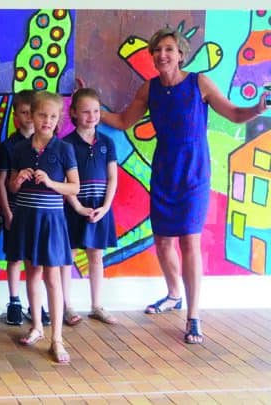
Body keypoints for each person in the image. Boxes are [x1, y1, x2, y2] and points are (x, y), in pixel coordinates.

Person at [97, 28, 268, 344]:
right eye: (157, 50)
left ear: (180, 54)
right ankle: (174, 294)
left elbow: (233, 114)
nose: (162, 54)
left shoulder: (199, 83)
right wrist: (92, 107)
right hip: (164, 171)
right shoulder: (149, 89)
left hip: (194, 172)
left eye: (169, 49)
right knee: (163, 242)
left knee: (190, 240)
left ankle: (193, 316)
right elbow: (122, 122)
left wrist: (257, 109)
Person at [8, 91, 80, 364]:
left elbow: (74, 187)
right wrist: (18, 180)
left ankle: (57, 338)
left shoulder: (64, 149)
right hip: (26, 218)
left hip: (51, 220)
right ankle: (37, 326)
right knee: (32, 272)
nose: (47, 121)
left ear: (59, 119)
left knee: (52, 277)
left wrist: (50, 182)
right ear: (31, 116)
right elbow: (11, 187)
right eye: (41, 115)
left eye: (52, 116)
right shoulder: (19, 149)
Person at [62, 88, 119, 326]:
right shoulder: (66, 144)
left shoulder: (107, 143)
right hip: (74, 208)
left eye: (96, 111)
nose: (92, 116)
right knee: (69, 256)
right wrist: (77, 207)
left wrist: (105, 208)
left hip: (99, 208)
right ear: (74, 113)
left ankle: (97, 306)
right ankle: (66, 306)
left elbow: (113, 178)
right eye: (86, 112)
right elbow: (65, 181)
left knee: (96, 256)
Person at [0, 90, 49, 326]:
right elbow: (1, 181)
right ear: (16, 116)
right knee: (15, 256)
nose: (28, 118)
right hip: (16, 210)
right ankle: (14, 301)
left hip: (38, 212)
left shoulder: (47, 144)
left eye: (32, 112)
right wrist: (7, 212)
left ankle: (36, 305)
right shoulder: (10, 146)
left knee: (36, 259)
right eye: (24, 113)